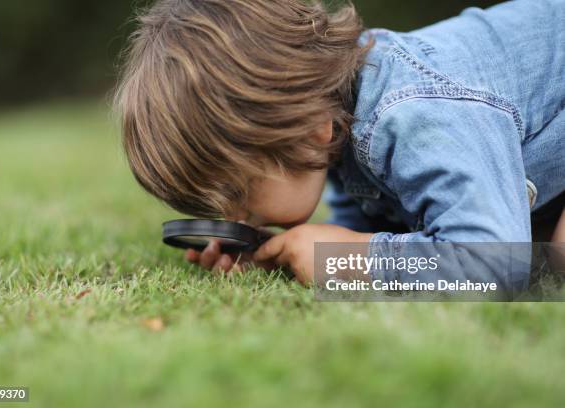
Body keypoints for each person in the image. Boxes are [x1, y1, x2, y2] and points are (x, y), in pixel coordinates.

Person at [115, 0, 565, 288]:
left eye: (236, 194)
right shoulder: (338, 116)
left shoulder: (410, 113)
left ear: (309, 129)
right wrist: (286, 254)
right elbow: (389, 225)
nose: (232, 219)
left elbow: (492, 267)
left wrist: (350, 262)